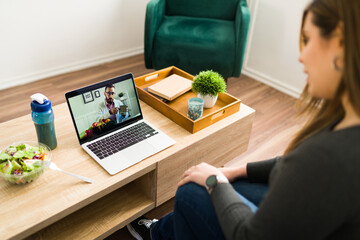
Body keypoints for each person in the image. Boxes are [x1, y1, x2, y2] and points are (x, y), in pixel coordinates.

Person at [127, 0, 360, 239]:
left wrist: (214, 181)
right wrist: (232, 173)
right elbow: (285, 164)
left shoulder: (331, 157)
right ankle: (159, 232)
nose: (301, 56)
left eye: (308, 39)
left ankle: (158, 232)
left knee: (190, 191)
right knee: (234, 185)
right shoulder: (346, 125)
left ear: (340, 43)